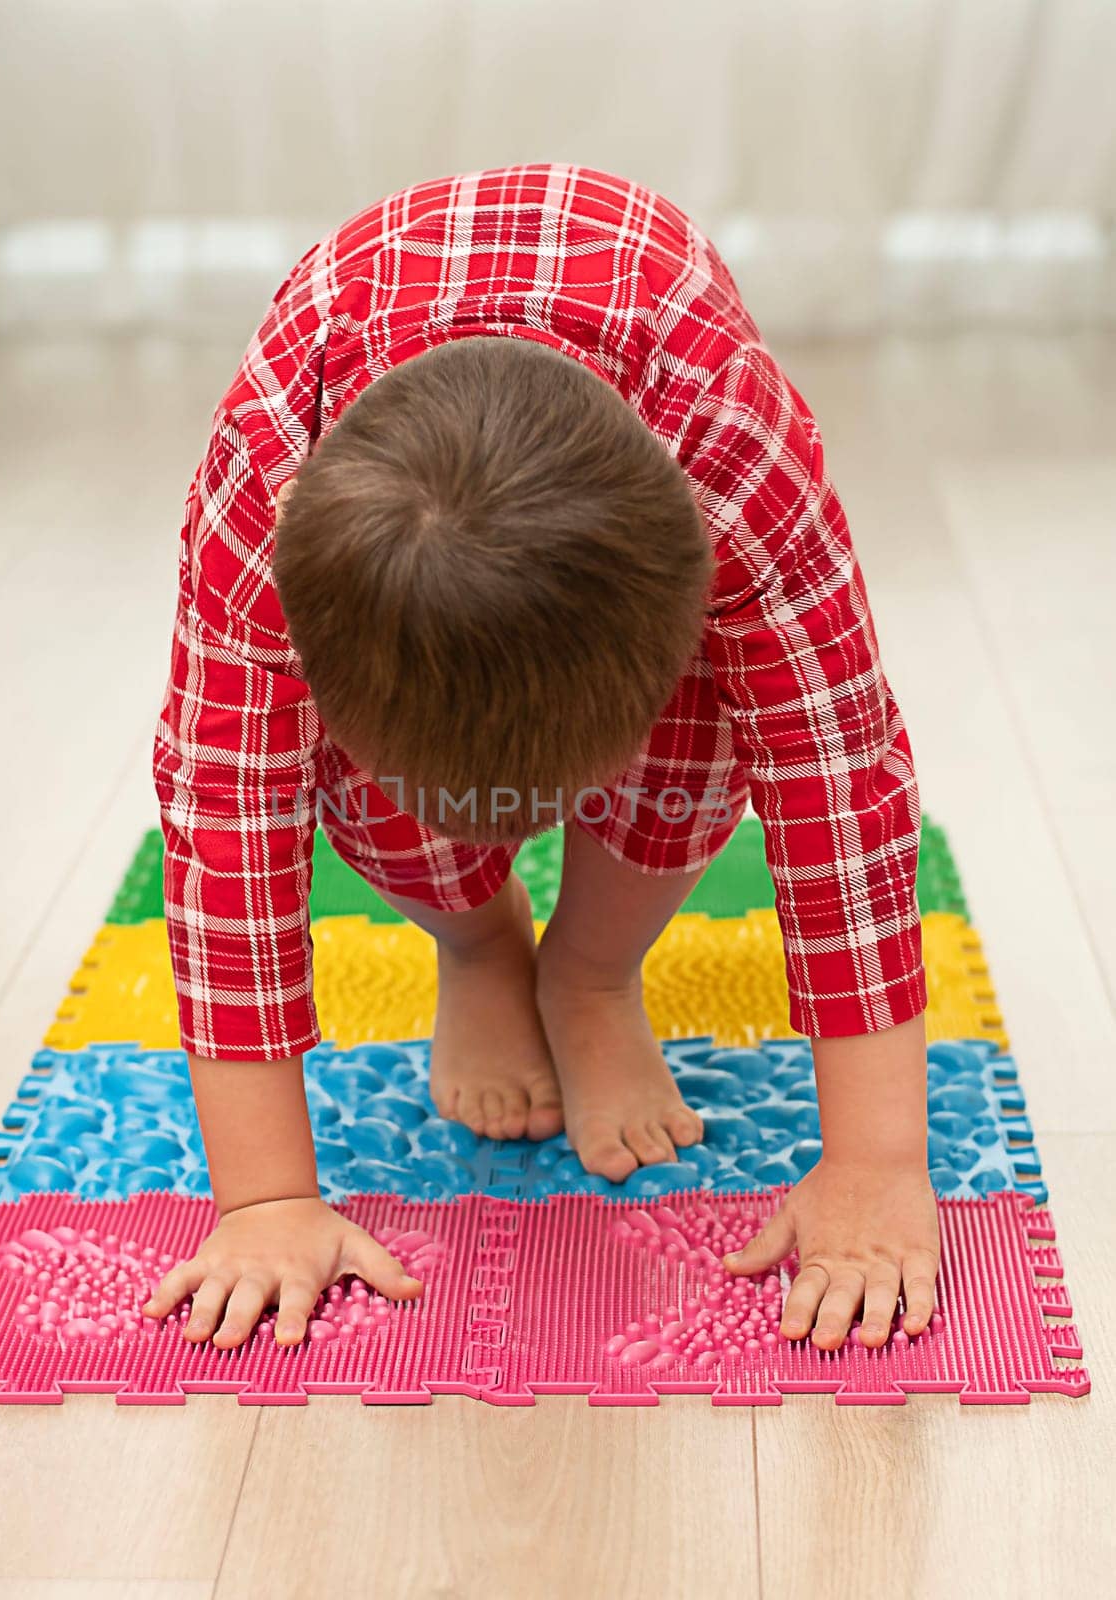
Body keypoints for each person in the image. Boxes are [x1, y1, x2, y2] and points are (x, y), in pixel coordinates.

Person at [142, 162, 939, 1355]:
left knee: (729, 733)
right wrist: (265, 1200)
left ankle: (591, 972)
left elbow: (839, 779)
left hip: (653, 408)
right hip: (362, 422)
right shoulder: (264, 485)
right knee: (348, 805)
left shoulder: (732, 456)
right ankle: (480, 939)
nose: (523, 812)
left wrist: (875, 1162)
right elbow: (226, 822)